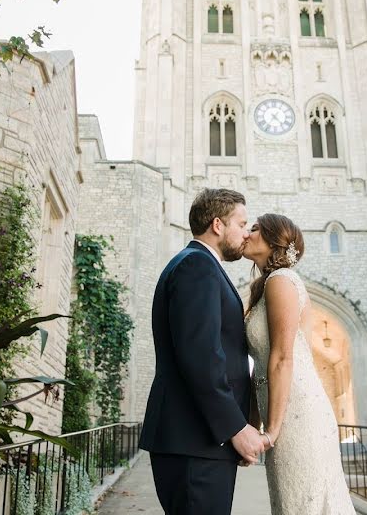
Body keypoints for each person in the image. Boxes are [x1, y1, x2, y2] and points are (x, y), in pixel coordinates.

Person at [139, 188, 267, 515]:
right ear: (218, 225)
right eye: (241, 223)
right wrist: (235, 428)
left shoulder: (197, 265)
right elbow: (202, 358)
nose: (246, 233)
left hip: (199, 439)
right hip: (194, 441)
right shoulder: (197, 267)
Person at [244, 213, 355, 514]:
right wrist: (254, 425)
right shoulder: (264, 287)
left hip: (298, 416)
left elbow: (282, 357)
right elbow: (259, 366)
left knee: (305, 503)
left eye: (254, 229)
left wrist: (272, 430)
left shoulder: (281, 281)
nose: (247, 233)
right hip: (282, 413)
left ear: (272, 240)